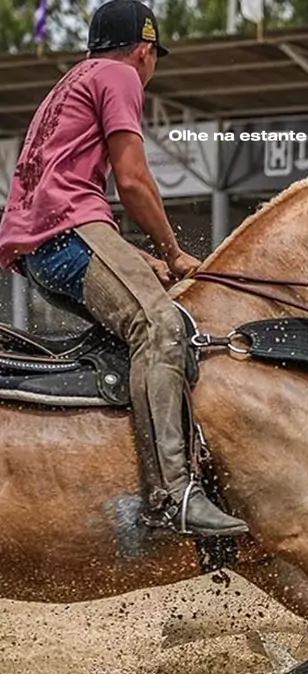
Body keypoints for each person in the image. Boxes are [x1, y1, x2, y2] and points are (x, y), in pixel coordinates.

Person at [0, 0, 248, 539]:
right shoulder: (120, 76)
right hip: (70, 234)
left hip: (41, 248)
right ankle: (174, 494)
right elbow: (132, 180)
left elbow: (62, 189)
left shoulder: (70, 82)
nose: (152, 66)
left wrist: (141, 261)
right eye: (154, 56)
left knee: (134, 336)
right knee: (161, 329)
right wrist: (173, 251)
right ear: (144, 49)